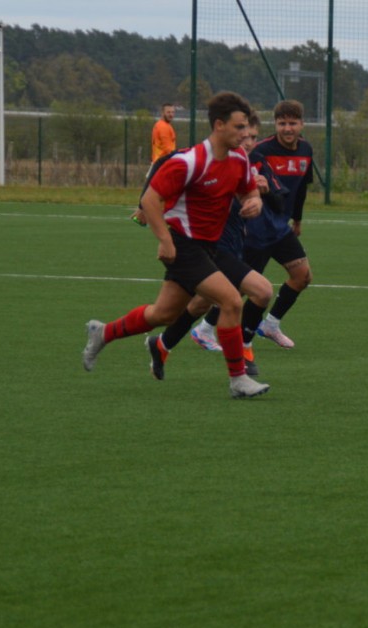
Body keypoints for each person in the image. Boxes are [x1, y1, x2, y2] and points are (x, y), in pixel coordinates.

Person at [83, 91, 270, 399]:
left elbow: (248, 191)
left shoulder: (239, 159)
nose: (245, 134)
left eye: (246, 128)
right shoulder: (190, 162)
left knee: (164, 314)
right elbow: (150, 200)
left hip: (208, 248)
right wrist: (165, 240)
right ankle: (238, 379)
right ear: (219, 125)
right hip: (184, 246)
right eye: (239, 127)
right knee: (232, 302)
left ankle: (102, 332)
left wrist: (254, 202)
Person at [148, 111, 286, 379]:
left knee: (198, 304)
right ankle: (242, 359)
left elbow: (279, 204)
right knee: (260, 291)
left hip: (235, 245)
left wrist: (260, 195)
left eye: (253, 137)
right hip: (210, 247)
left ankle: (163, 344)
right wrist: (146, 203)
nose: (248, 141)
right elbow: (165, 163)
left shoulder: (254, 163)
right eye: (243, 134)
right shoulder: (209, 159)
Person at [237, 99, 315, 349]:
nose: (288, 128)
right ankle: (205, 328)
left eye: (293, 123)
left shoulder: (306, 150)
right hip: (256, 229)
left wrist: (298, 219)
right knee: (241, 287)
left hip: (281, 227)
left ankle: (270, 324)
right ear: (275, 124)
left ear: (302, 124)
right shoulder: (260, 150)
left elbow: (301, 189)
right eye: (282, 123)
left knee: (302, 276)